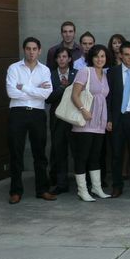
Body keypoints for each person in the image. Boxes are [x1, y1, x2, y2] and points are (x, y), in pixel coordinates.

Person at [6, 37, 56, 204]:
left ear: (39, 50)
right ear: (24, 50)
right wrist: (36, 90)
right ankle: (15, 191)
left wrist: (24, 88)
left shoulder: (45, 70)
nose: (31, 52)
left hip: (37, 114)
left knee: (40, 153)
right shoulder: (14, 68)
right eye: (28, 48)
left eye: (34, 49)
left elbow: (46, 94)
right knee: (16, 152)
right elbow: (11, 93)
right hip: (17, 113)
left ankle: (42, 190)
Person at [70, 44, 112, 201]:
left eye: (102, 56)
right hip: (85, 122)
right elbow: (74, 95)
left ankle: (96, 188)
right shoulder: (84, 72)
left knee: (95, 156)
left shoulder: (105, 75)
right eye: (96, 56)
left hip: (99, 123)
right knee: (82, 157)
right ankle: (82, 190)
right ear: (91, 58)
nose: (100, 59)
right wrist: (83, 110)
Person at [106, 41, 130, 198]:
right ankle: (117, 186)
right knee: (116, 153)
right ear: (120, 55)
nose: (129, 58)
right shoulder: (112, 72)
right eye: (126, 55)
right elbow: (108, 97)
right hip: (117, 117)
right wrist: (108, 118)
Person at [46, 46, 77, 194]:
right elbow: (48, 98)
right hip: (57, 119)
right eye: (59, 57)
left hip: (73, 118)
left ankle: (81, 184)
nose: (62, 59)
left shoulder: (76, 74)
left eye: (64, 57)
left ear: (70, 59)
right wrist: (61, 88)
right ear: (56, 59)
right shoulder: (50, 75)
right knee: (59, 152)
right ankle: (61, 184)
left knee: (77, 152)